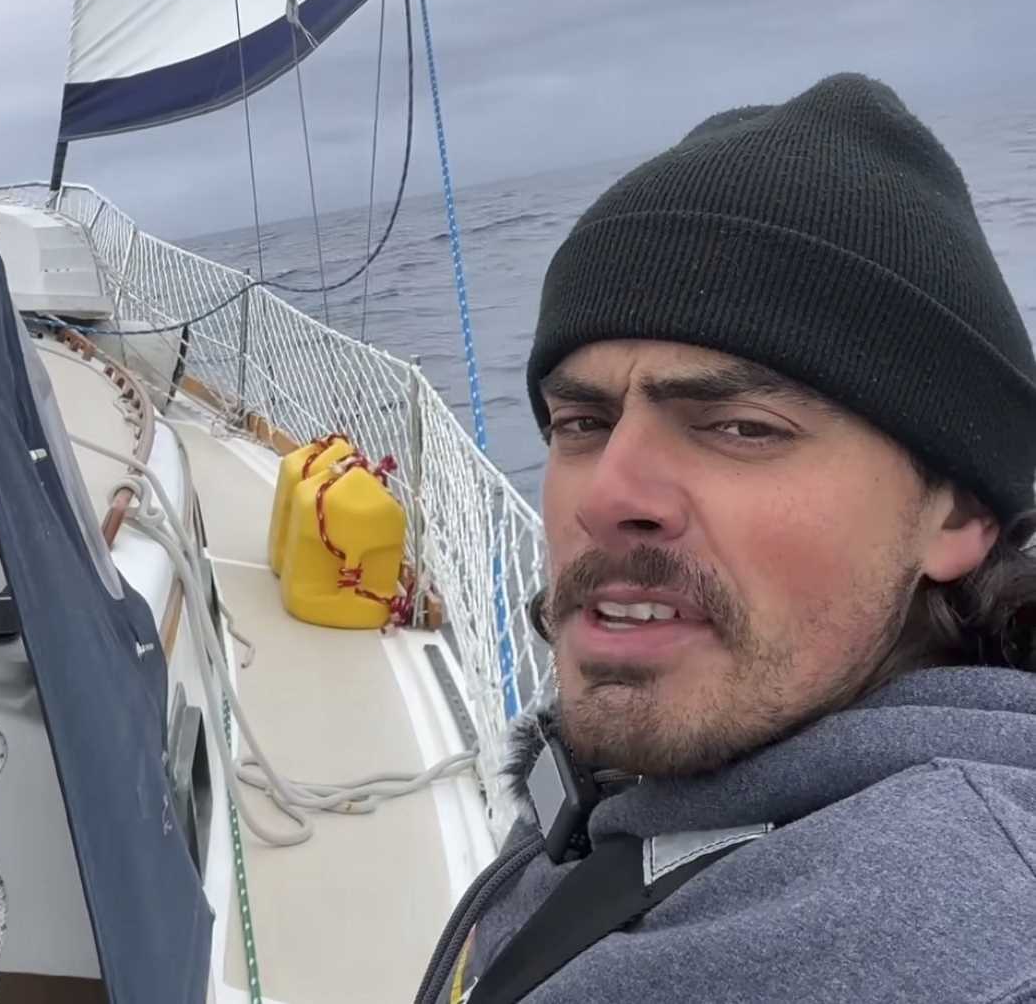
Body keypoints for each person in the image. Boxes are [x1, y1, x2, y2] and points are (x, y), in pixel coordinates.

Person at [415, 73, 1036, 1004]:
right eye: (581, 423)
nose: (606, 495)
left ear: (956, 516)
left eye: (742, 428)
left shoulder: (974, 941)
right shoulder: (615, 777)